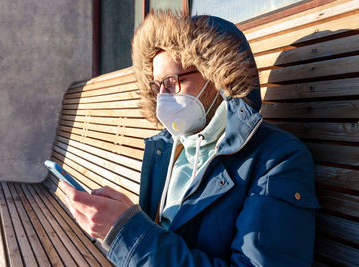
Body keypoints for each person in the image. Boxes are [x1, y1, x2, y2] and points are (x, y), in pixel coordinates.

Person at [60, 10, 321, 266]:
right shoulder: (167, 148)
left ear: (216, 75)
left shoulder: (278, 160)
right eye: (157, 85)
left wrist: (126, 232)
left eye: (172, 81)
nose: (162, 95)